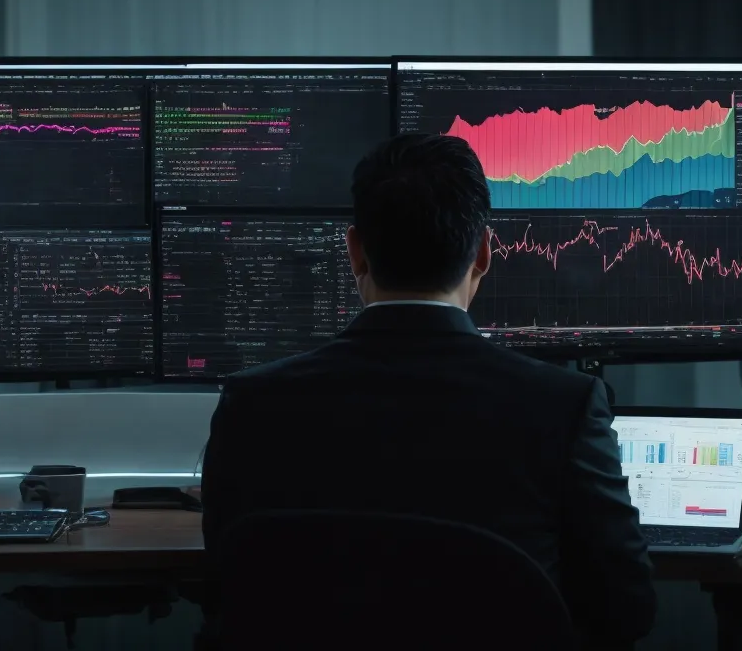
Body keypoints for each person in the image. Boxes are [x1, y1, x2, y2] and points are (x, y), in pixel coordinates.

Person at [200, 132, 657, 648]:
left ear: (355, 252)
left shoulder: (252, 402)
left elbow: (227, 591)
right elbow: (627, 609)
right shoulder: (566, 405)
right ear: (484, 252)